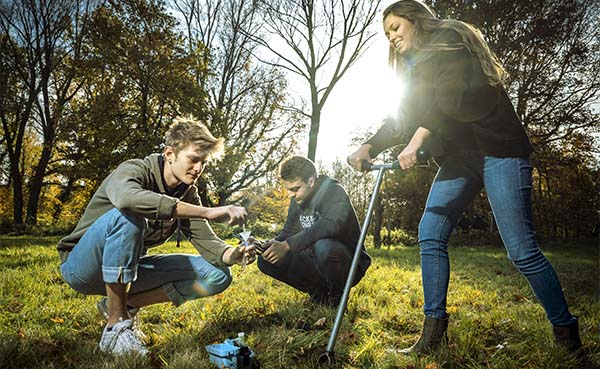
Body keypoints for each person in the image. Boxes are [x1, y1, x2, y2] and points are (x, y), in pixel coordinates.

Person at [348, 0, 582, 355]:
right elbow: (404, 116)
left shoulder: (451, 43)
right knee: (430, 232)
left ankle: (566, 334)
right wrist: (369, 145)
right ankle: (432, 334)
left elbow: (450, 99)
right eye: (386, 34)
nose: (391, 37)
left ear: (415, 20)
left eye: (395, 27)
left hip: (498, 150)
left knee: (520, 250)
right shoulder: (413, 71)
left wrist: (416, 141)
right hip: (460, 159)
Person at [57, 116, 254, 355]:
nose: (199, 168)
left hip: (128, 271)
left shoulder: (187, 193)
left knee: (217, 275)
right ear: (170, 154)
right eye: (193, 159)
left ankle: (123, 305)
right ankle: (116, 326)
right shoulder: (134, 169)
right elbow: (128, 199)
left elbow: (206, 240)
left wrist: (233, 254)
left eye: (203, 162)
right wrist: (208, 211)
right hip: (82, 268)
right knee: (128, 214)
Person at [256, 156, 371, 307]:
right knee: (266, 260)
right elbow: (288, 232)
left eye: (295, 189)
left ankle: (337, 299)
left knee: (324, 246)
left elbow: (330, 224)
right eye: (288, 189)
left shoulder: (333, 191)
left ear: (311, 181)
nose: (290, 195)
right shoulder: (297, 199)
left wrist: (287, 245)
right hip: (314, 260)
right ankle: (320, 294)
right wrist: (265, 246)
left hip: (347, 262)